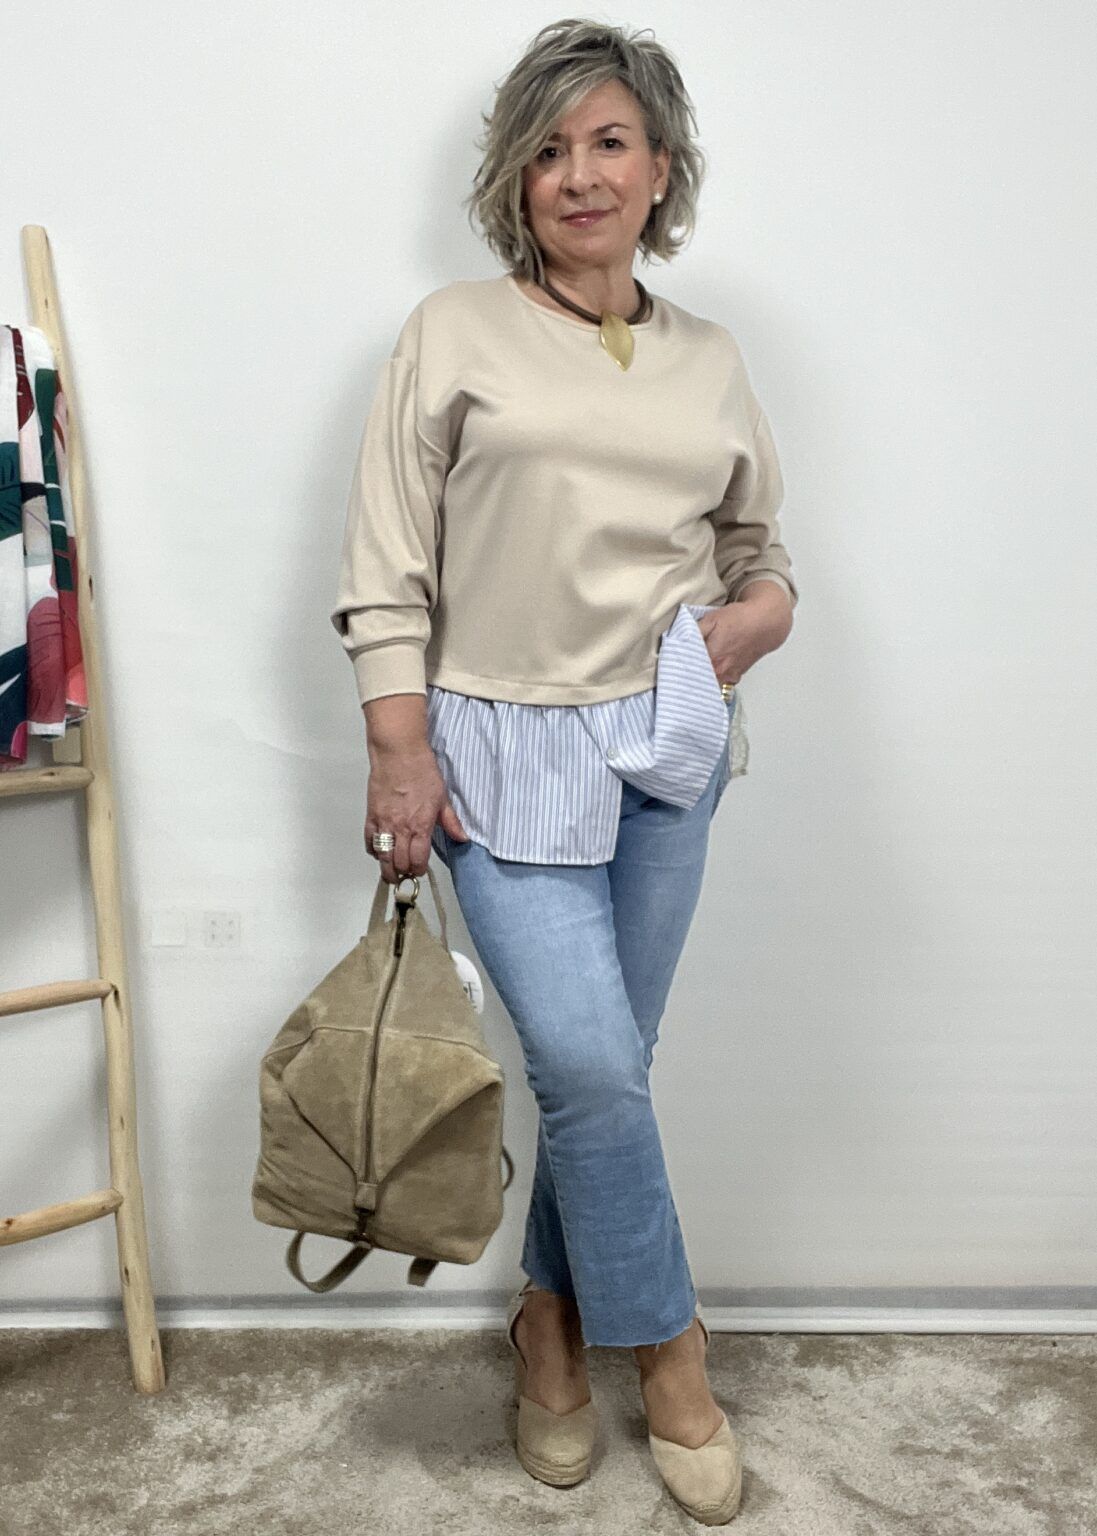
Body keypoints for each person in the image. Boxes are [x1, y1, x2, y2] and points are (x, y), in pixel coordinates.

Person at [330, 18, 798, 1524]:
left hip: (665, 747)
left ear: (661, 168)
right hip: (494, 748)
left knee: (608, 1076)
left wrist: (762, 616)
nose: (578, 175)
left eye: (608, 143)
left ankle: (548, 1320)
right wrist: (397, 747)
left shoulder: (709, 357)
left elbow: (758, 552)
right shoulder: (452, 331)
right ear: (512, 181)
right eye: (546, 149)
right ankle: (667, 1345)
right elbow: (386, 565)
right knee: (592, 1068)